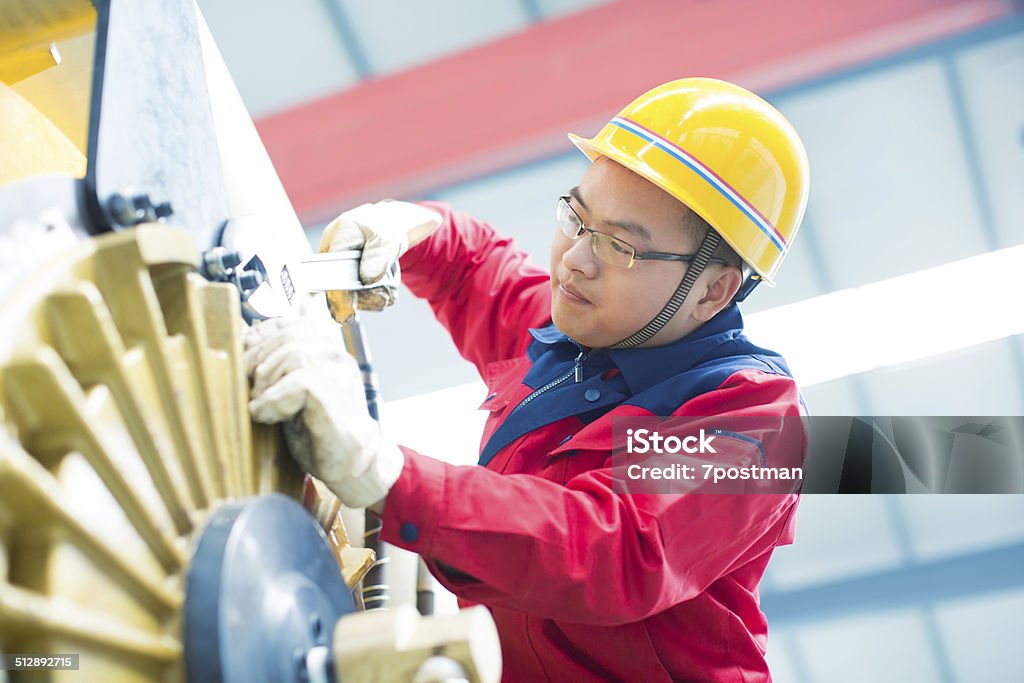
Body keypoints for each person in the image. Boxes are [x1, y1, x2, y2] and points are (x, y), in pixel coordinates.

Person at [243, 77, 810, 682]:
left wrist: (385, 473)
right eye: (576, 218)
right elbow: (472, 267)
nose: (576, 258)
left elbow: (614, 549)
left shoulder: (754, 421)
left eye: (620, 247)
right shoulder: (575, 337)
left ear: (714, 289)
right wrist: (410, 228)